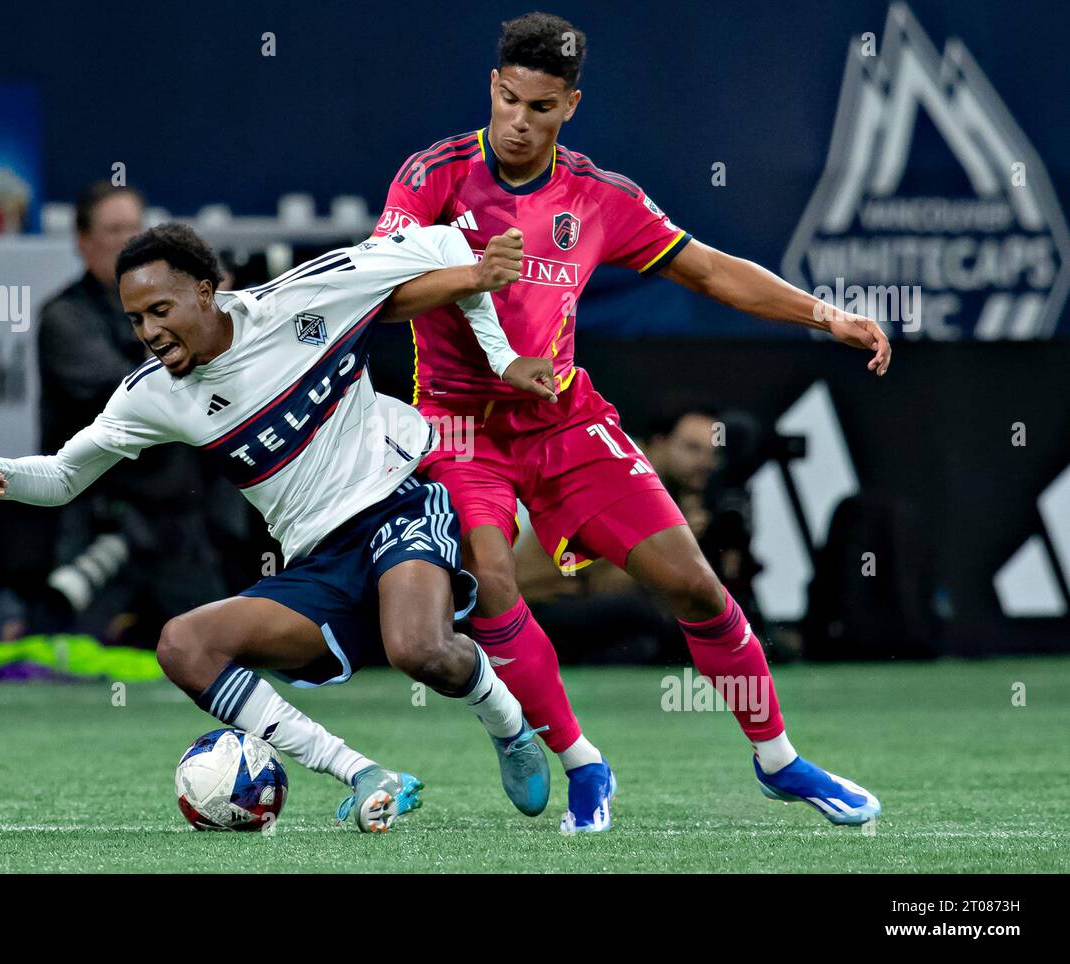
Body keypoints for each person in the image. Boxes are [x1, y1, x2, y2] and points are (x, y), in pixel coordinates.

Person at [374, 11, 887, 832]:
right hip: (460, 427)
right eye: (507, 100)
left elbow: (713, 272)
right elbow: (383, 295)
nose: (518, 121)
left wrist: (826, 317)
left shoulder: (598, 196)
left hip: (566, 420)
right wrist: (469, 271)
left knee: (693, 585)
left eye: (540, 108)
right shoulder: (432, 176)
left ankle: (780, 761)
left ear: (569, 106)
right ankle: (581, 761)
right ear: (492, 88)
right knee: (495, 582)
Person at [0, 220, 560, 832]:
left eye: (160, 310)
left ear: (205, 291)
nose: (149, 332)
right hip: (317, 560)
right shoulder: (153, 395)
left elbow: (444, 244)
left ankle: (508, 725)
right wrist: (5, 475)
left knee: (419, 649)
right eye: (136, 319)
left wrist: (498, 344)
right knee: (183, 645)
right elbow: (64, 476)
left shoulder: (305, 300)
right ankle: (363, 773)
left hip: (397, 502)